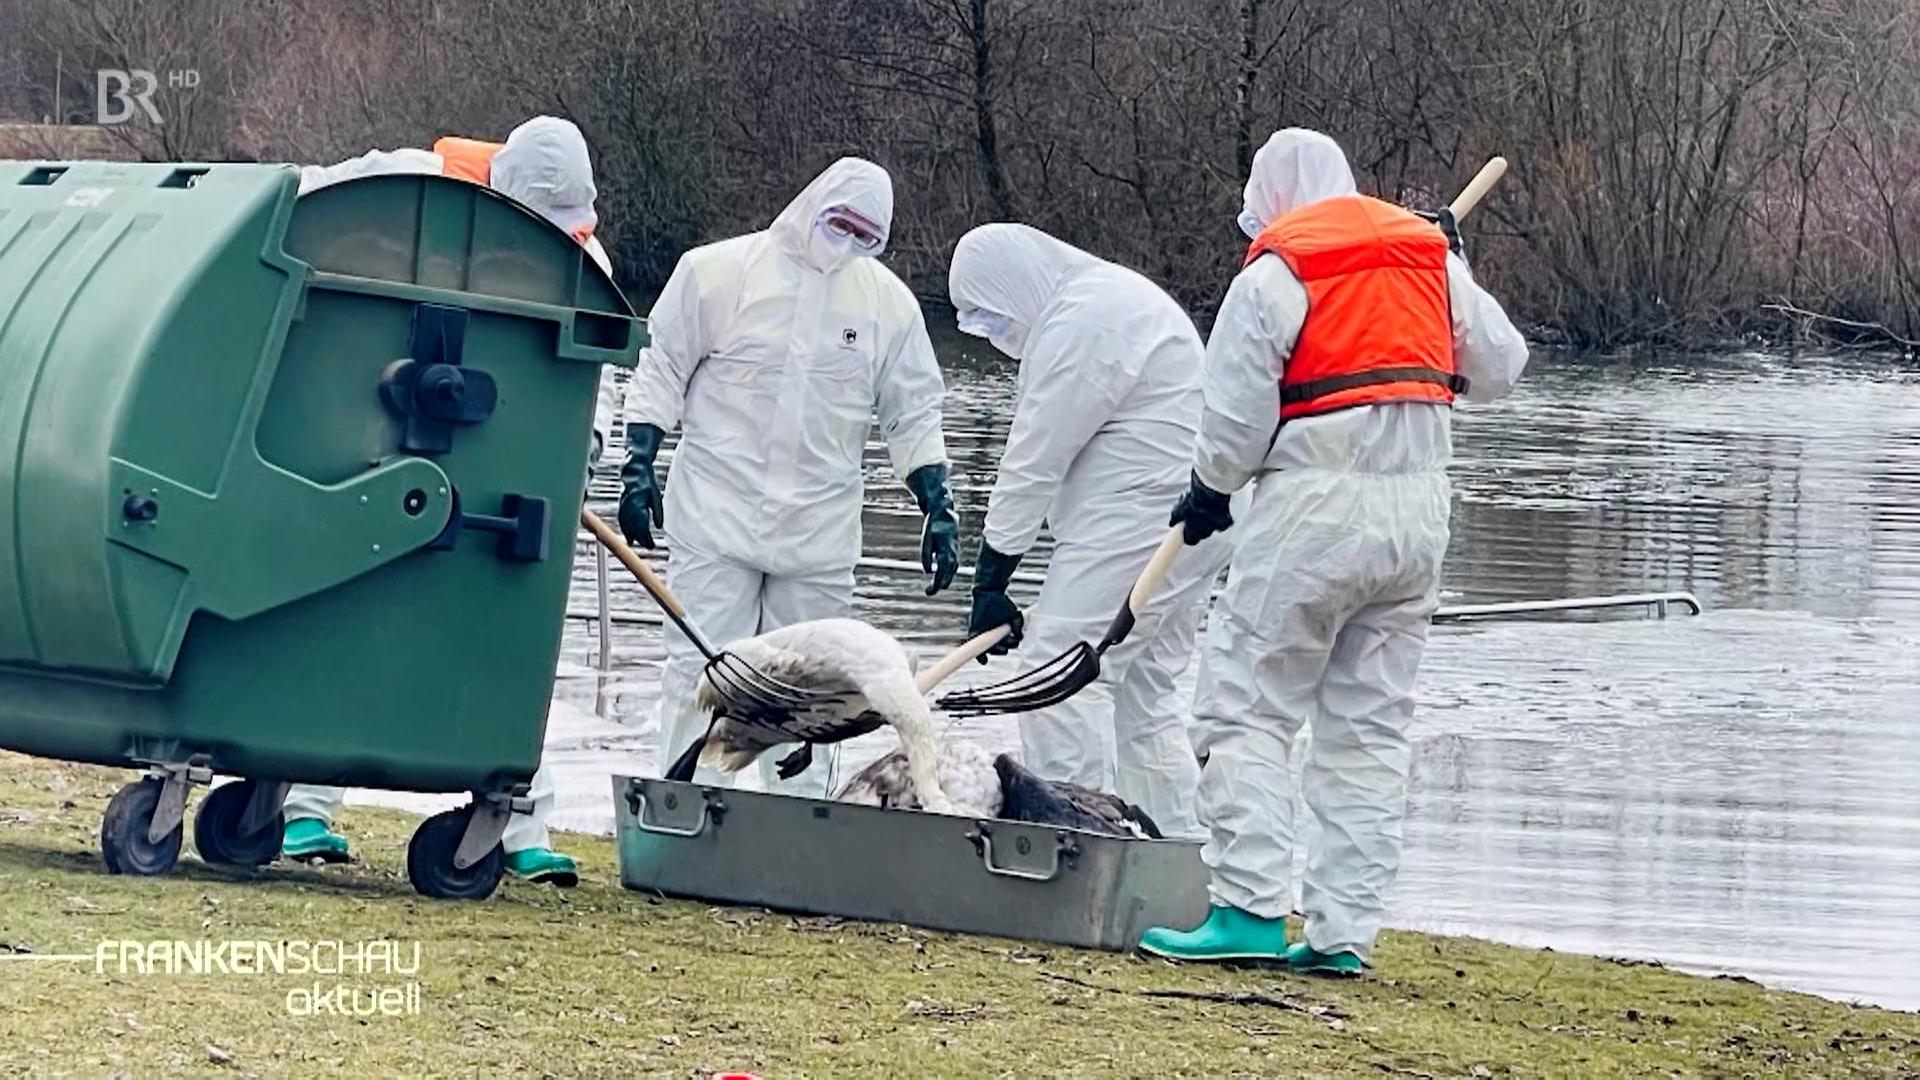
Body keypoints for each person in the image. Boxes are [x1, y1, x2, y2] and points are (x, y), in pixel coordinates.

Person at [1138, 129, 1530, 973]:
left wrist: (1207, 490)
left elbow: (1236, 427)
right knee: (1368, 731)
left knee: (1245, 709)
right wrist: (1452, 267)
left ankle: (1246, 909)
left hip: (1313, 512)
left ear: (1272, 197)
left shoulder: (1277, 269)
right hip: (1419, 519)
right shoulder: (1428, 257)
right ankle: (1341, 934)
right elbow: (1502, 367)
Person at [279, 116, 620, 886]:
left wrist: (583, 451)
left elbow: (592, 373)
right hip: (377, 445)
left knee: (510, 643)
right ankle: (301, 801)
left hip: (504, 474)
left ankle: (516, 817)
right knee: (342, 616)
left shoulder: (579, 262)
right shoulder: (401, 195)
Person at [619, 157, 958, 797]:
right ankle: (679, 809)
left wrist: (936, 503)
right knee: (700, 673)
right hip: (716, 517)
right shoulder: (717, 273)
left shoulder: (889, 305)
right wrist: (639, 467)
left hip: (819, 536)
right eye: (841, 224)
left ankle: (795, 826)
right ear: (812, 205)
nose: (849, 243)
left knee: (816, 695)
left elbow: (911, 412)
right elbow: (660, 372)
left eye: (867, 236)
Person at [946, 223, 1235, 838]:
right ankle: (1180, 860)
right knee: (1143, 699)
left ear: (1013, 281)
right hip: (1188, 524)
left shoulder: (1085, 318)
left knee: (1058, 676)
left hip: (1145, 517)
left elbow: (1035, 457)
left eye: (993, 318)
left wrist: (992, 576)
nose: (997, 337)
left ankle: (1076, 843)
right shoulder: (1104, 302)